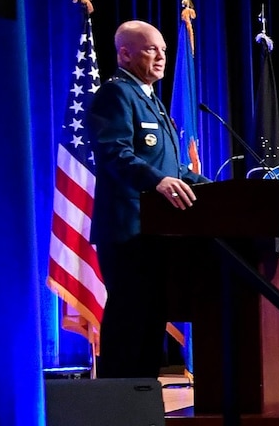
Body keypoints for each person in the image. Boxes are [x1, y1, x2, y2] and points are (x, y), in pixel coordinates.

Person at [89, 19, 209, 378]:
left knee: (148, 327)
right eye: (150, 49)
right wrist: (158, 181)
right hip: (128, 230)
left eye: (164, 51)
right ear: (124, 53)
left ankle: (142, 416)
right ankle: (118, 417)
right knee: (129, 326)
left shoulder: (151, 100)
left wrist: (213, 189)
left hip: (157, 235)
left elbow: (173, 168)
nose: (160, 57)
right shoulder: (116, 94)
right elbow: (114, 152)